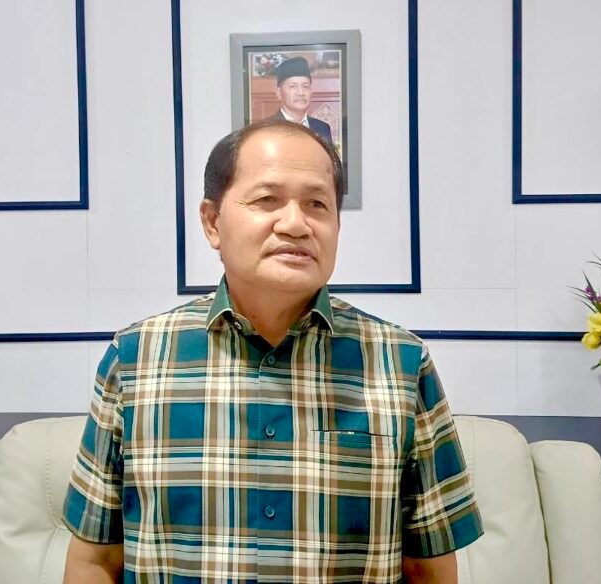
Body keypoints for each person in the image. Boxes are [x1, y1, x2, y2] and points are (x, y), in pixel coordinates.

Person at [62, 119, 483, 583]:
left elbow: (428, 568)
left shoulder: (401, 363)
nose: (296, 224)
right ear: (212, 222)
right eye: (267, 200)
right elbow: (96, 560)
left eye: (317, 204)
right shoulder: (135, 359)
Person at [267, 57, 334, 144]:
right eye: (293, 86)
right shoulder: (267, 129)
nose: (301, 92)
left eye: (305, 86)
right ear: (279, 93)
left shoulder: (322, 128)